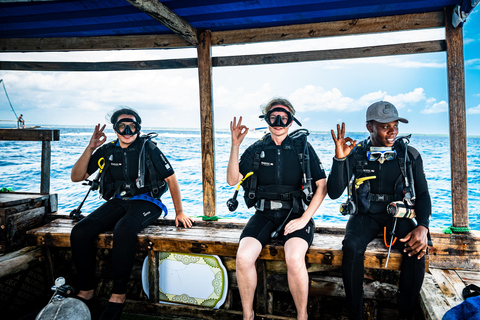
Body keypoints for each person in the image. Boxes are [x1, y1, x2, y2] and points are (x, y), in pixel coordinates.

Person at [70, 107, 193, 320]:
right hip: (119, 201)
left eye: (132, 126)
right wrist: (90, 148)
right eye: (122, 126)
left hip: (148, 201)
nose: (128, 130)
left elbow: (172, 179)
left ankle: (118, 295)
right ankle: (86, 291)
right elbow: (77, 176)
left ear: (138, 128)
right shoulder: (108, 150)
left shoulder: (148, 148)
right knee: (80, 231)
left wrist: (179, 212)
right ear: (115, 128)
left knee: (124, 228)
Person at [327, 101, 431, 320]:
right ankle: (355, 314)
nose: (393, 131)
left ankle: (405, 314)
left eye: (395, 125)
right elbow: (335, 192)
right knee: (352, 247)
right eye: (385, 127)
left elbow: (422, 195)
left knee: (417, 250)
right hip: (365, 216)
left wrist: (423, 227)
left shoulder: (409, 155)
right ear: (369, 127)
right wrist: (340, 158)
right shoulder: (355, 153)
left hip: (398, 217)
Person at [227, 98, 328, 320]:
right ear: (267, 120)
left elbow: (322, 186)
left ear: (291, 121)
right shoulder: (257, 149)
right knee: (243, 258)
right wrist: (235, 145)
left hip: (296, 215)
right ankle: (248, 316)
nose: (279, 122)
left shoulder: (302, 148)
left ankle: (302, 316)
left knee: (293, 258)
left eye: (284, 117)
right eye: (274, 117)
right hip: (264, 214)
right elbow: (232, 180)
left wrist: (305, 219)